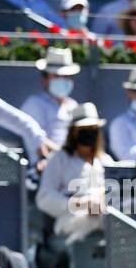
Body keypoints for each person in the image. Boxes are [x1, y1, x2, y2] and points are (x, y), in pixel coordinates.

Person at [37, 102, 112, 244]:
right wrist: (81, 204)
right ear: (73, 132)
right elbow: (44, 198)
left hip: (105, 217)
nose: (89, 133)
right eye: (84, 129)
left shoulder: (105, 161)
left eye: (93, 129)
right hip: (71, 221)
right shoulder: (59, 159)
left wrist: (100, 202)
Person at [20, 46, 80, 151]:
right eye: (56, 76)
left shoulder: (73, 105)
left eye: (66, 76)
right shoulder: (34, 104)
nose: (62, 80)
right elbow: (37, 140)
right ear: (44, 79)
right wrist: (65, 157)